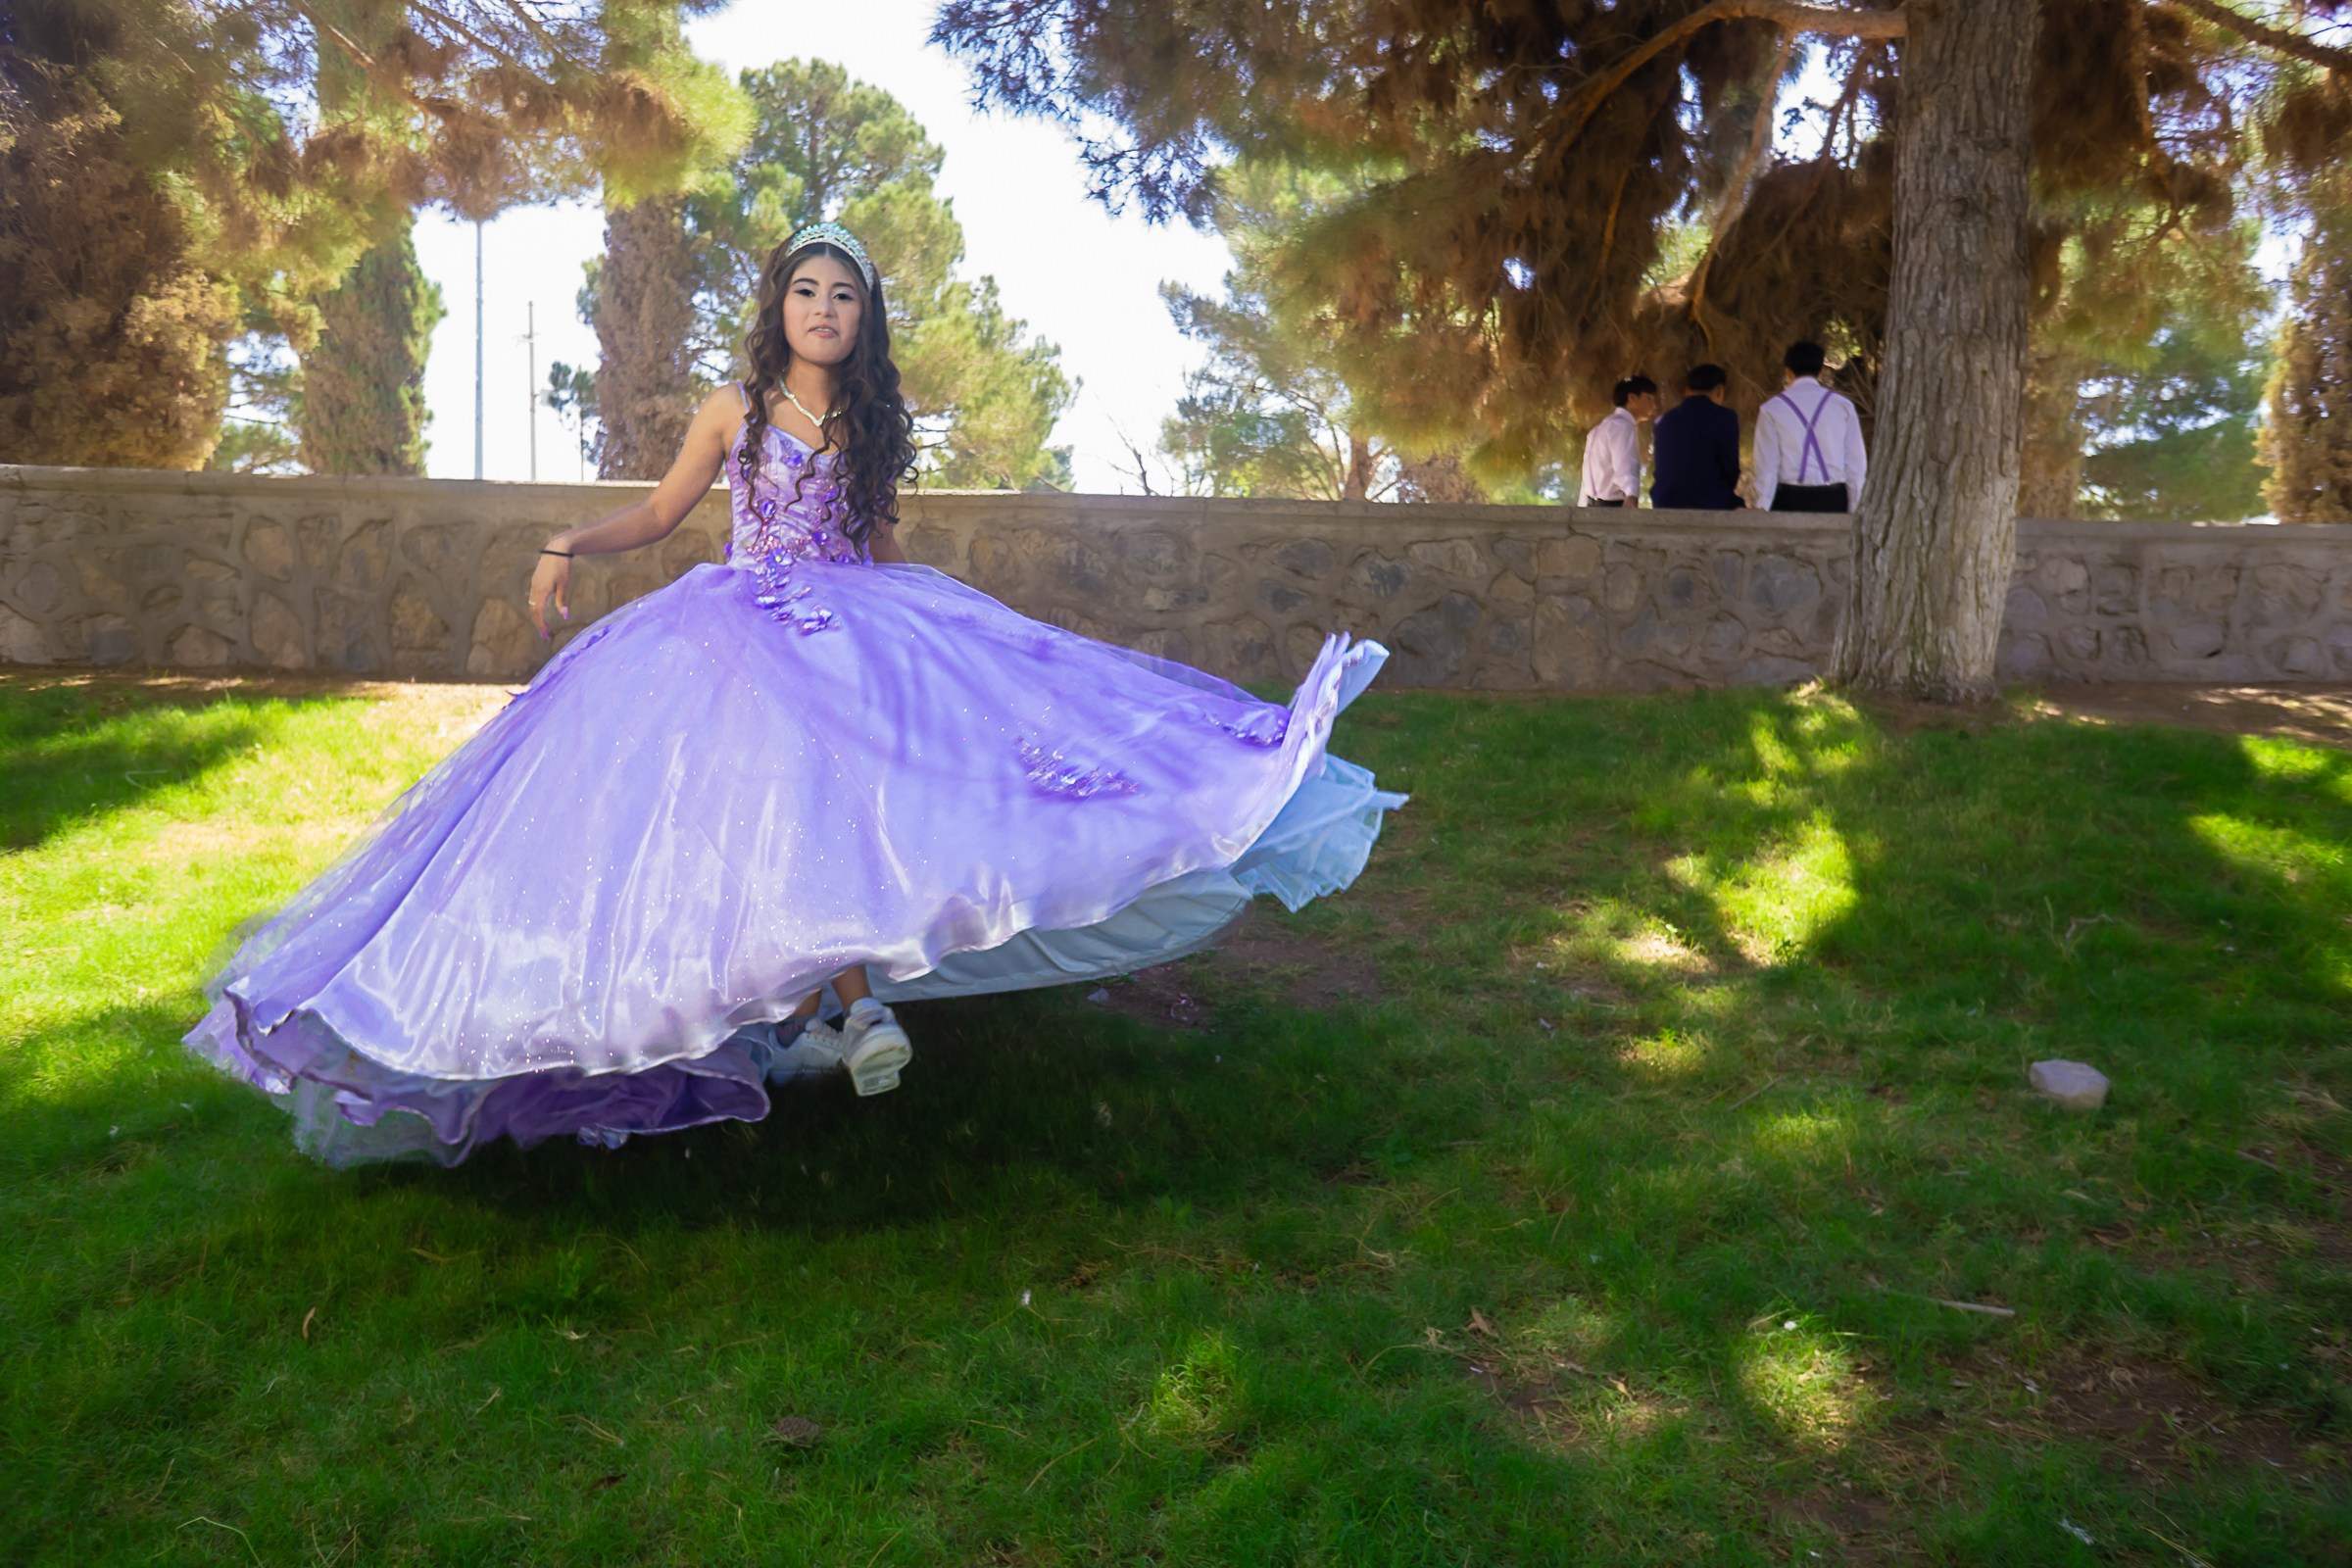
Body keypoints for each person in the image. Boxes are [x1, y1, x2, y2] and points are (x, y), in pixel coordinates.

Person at [184, 220, 1404, 1167]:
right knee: (758, 806)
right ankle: (850, 1010)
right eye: (807, 289)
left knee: (872, 791)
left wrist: (934, 647)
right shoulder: (734, 408)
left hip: (850, 619)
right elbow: (666, 514)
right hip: (734, 627)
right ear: (778, 305)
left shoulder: (870, 418)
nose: (824, 308)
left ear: (865, 320)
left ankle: (842, 1005)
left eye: (847, 294)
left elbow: (870, 548)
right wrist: (568, 541)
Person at [1752, 340, 1868, 512]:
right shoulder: (1843, 406)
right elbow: (1855, 461)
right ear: (1821, 372)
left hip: (1788, 499)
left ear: (1788, 372)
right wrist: (1855, 505)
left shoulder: (1771, 409)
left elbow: (1767, 465)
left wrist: (1762, 504)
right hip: (1834, 499)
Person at [1647, 364, 1741, 511]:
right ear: (1719, 390)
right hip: (1708, 499)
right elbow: (1730, 468)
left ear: (1688, 390)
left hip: (1664, 499)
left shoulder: (1664, 420)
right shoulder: (1724, 417)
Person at [1578, 375, 1657, 507]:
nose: (1653, 405)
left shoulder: (1598, 429)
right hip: (1612, 506)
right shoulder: (1623, 427)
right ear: (1632, 398)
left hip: (1591, 506)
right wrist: (1632, 495)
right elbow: (1625, 465)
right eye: (1649, 398)